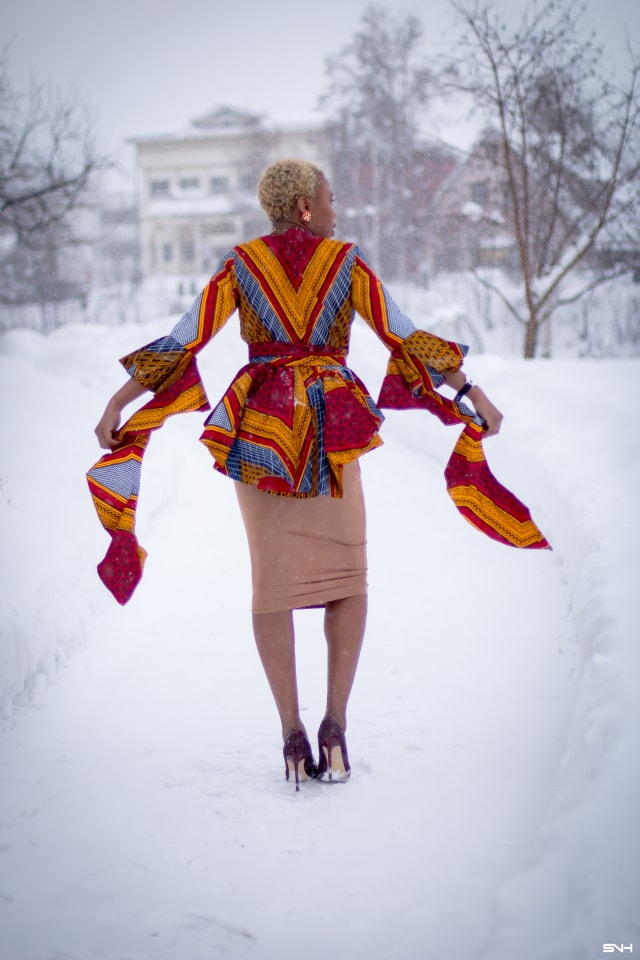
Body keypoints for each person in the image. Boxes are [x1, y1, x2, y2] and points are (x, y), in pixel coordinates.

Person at [91, 159, 538, 791]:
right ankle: (334, 728)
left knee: (271, 585)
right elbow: (403, 337)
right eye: (329, 198)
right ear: (304, 206)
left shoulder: (240, 264)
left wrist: (119, 401)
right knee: (347, 579)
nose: (336, 209)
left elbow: (182, 340)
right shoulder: (345, 262)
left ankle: (291, 736)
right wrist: (472, 392)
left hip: (262, 436)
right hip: (330, 432)